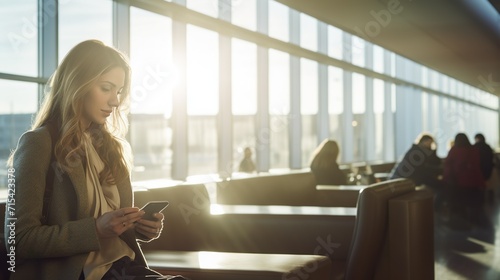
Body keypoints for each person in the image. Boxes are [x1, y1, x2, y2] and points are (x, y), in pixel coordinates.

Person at [5, 40, 187, 280]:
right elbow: (19, 241)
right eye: (106, 88)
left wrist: (136, 228)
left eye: (119, 91)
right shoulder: (38, 144)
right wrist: (96, 229)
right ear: (77, 84)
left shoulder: (111, 148)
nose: (115, 101)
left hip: (122, 268)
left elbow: (111, 228)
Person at [444, 133, 487, 228]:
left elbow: (448, 166)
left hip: (458, 183)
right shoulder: (474, 150)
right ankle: (474, 222)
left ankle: (460, 224)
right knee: (473, 205)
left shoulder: (454, 150)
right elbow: (477, 167)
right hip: (473, 182)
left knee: (459, 204)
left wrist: (446, 179)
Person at [390, 133, 444, 209]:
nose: (430, 145)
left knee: (438, 185)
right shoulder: (418, 152)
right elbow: (426, 168)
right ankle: (436, 210)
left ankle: (434, 209)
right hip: (410, 179)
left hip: (411, 178)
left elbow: (434, 162)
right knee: (442, 186)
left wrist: (434, 149)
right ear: (424, 141)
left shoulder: (417, 150)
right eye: (430, 143)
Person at [474, 133, 495, 204]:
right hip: (488, 169)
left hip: (478, 169)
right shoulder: (488, 147)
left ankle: (480, 201)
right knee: (489, 186)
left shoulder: (475, 147)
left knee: (479, 187)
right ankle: (490, 201)